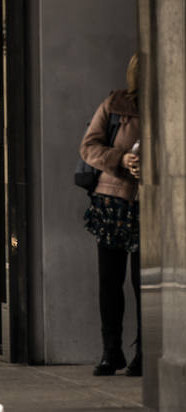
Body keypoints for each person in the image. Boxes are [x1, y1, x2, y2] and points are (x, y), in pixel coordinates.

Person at [79, 53, 142, 377]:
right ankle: (111, 351)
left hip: (151, 205)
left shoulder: (172, 103)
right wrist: (121, 159)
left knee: (144, 282)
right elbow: (89, 146)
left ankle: (146, 351)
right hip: (114, 205)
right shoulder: (115, 104)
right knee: (110, 282)